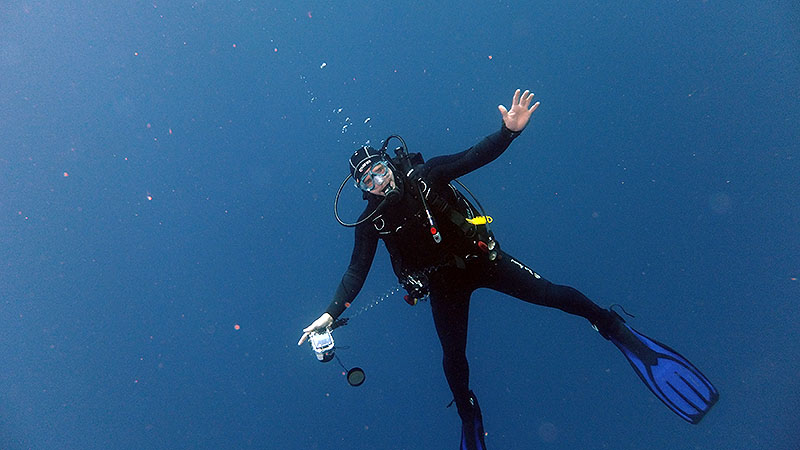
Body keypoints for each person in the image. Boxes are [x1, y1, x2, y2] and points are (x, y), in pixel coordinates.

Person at [298, 89, 719, 449]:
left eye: (379, 170)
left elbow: (473, 156)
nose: (379, 182)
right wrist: (330, 314)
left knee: (553, 294)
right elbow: (356, 271)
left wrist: (508, 132)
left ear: (390, 164)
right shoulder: (372, 222)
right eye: (368, 181)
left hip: (484, 258)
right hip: (443, 284)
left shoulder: (426, 175)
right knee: (453, 360)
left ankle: (612, 327)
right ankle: (468, 415)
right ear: (361, 189)